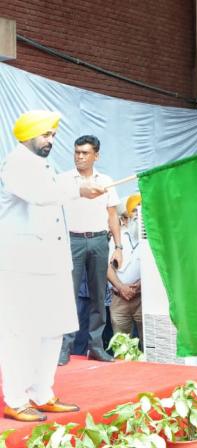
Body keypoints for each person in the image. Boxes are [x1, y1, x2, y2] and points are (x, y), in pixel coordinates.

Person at [0, 110, 105, 421]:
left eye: (53, 135)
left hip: (51, 263)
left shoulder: (44, 165)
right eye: (45, 134)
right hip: (23, 264)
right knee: (22, 333)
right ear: (27, 134)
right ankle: (16, 399)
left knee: (52, 330)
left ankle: (42, 393)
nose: (51, 140)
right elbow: (40, 195)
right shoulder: (16, 162)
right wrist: (79, 189)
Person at [58, 135, 121, 365]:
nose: (80, 157)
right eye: (77, 152)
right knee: (68, 297)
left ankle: (96, 347)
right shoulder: (65, 180)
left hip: (98, 241)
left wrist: (119, 247)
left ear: (96, 155)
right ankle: (65, 347)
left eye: (85, 153)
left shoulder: (106, 181)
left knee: (97, 296)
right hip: (73, 241)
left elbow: (113, 216)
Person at [107, 193, 143, 343]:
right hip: (119, 299)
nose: (138, 215)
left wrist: (140, 286)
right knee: (121, 345)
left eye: (140, 210)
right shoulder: (116, 240)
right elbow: (106, 268)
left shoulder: (149, 238)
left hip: (142, 298)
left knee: (149, 345)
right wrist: (122, 288)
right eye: (134, 212)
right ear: (124, 218)